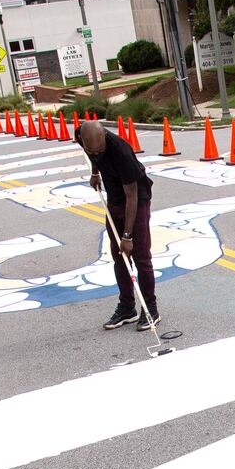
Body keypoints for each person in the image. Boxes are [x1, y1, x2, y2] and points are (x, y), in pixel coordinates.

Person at [74, 119, 156, 330]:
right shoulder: (82, 136)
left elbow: (132, 196)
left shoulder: (121, 152)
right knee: (119, 256)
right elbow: (90, 153)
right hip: (114, 200)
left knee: (140, 257)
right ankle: (127, 308)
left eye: (99, 151)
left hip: (136, 201)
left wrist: (127, 236)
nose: (96, 154)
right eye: (92, 151)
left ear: (104, 139)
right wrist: (95, 172)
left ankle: (151, 309)